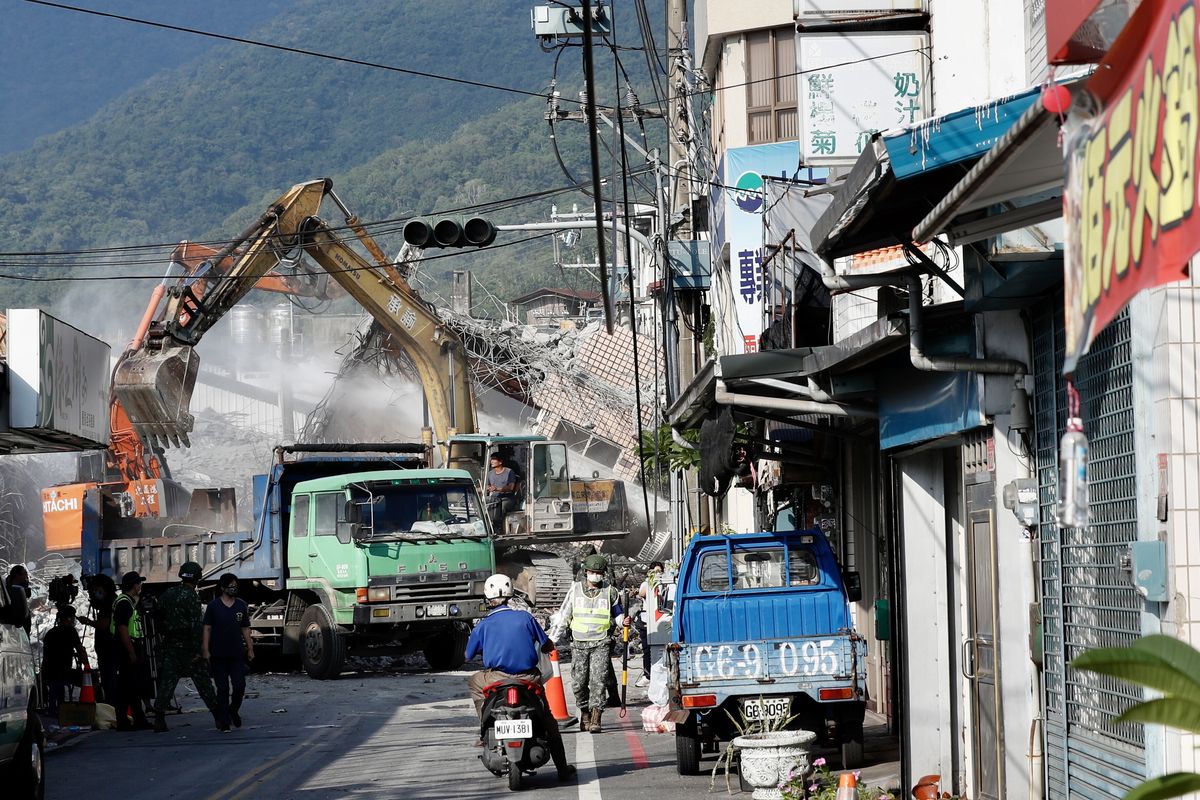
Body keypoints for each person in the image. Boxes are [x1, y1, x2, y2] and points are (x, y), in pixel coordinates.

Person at [465, 574, 575, 782]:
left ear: (489, 599)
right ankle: (562, 769)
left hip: (496, 678)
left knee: (474, 682)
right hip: (528, 678)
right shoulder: (525, 618)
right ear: (511, 594)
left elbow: (468, 655)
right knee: (548, 719)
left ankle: (485, 723)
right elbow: (546, 644)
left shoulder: (484, 624)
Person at [549, 554, 625, 733]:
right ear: (586, 572)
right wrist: (552, 640)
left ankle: (596, 716)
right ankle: (584, 712)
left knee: (598, 680)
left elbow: (618, 615)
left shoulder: (610, 591)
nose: (596, 575)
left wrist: (624, 622)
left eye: (599, 573)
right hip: (579, 644)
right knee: (579, 683)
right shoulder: (575, 590)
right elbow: (564, 616)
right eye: (592, 572)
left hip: (601, 642)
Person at [153, 562, 220, 732]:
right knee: (204, 684)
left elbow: (157, 616)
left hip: (171, 646)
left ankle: (159, 719)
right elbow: (196, 626)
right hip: (189, 648)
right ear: (197, 578)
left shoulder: (168, 594)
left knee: (167, 683)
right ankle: (219, 717)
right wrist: (200, 650)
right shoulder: (191, 597)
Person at [202, 573, 254, 732]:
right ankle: (224, 721)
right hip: (218, 654)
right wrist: (205, 649)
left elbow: (245, 628)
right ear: (223, 588)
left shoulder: (240, 606)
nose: (234, 588)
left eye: (235, 586)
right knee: (222, 689)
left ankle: (233, 710)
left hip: (236, 654)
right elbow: (207, 629)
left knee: (240, 686)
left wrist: (250, 648)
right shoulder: (213, 606)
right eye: (230, 586)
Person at [112, 571, 152, 730]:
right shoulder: (124, 603)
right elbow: (122, 629)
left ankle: (133, 719)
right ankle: (128, 721)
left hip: (127, 647)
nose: (140, 586)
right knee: (130, 686)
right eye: (138, 583)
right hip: (127, 648)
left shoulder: (126, 601)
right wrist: (131, 652)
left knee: (130, 687)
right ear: (133, 585)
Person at [41, 605, 88, 716]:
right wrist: (87, 666)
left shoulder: (50, 633)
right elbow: (80, 650)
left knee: (56, 685)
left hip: (49, 673)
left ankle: (54, 709)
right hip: (63, 672)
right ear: (69, 618)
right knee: (90, 679)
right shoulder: (71, 632)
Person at [79, 573, 117, 704]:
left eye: (96, 590)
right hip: (108, 646)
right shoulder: (111, 601)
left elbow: (103, 625)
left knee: (109, 677)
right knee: (108, 676)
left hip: (108, 646)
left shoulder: (109, 604)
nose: (95, 593)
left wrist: (88, 622)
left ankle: (111, 703)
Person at [633, 561, 665, 688]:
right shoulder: (646, 584)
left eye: (659, 572)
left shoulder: (666, 585)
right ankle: (647, 675)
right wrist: (651, 581)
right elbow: (642, 593)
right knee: (647, 650)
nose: (657, 574)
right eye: (654, 571)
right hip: (647, 621)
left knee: (661, 651)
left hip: (661, 621)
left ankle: (661, 675)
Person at [485, 453, 519, 532]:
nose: (491, 461)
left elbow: (511, 487)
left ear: (500, 462)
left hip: (507, 498)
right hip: (494, 498)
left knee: (501, 507)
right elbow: (486, 486)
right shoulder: (490, 473)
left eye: (494, 459)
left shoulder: (509, 472)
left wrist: (497, 489)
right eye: (491, 459)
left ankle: (500, 529)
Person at [5, 565, 32, 636]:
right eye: (24, 573)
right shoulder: (7, 591)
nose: (26, 576)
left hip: (22, 629)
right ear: (17, 575)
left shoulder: (21, 587)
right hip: (13, 631)